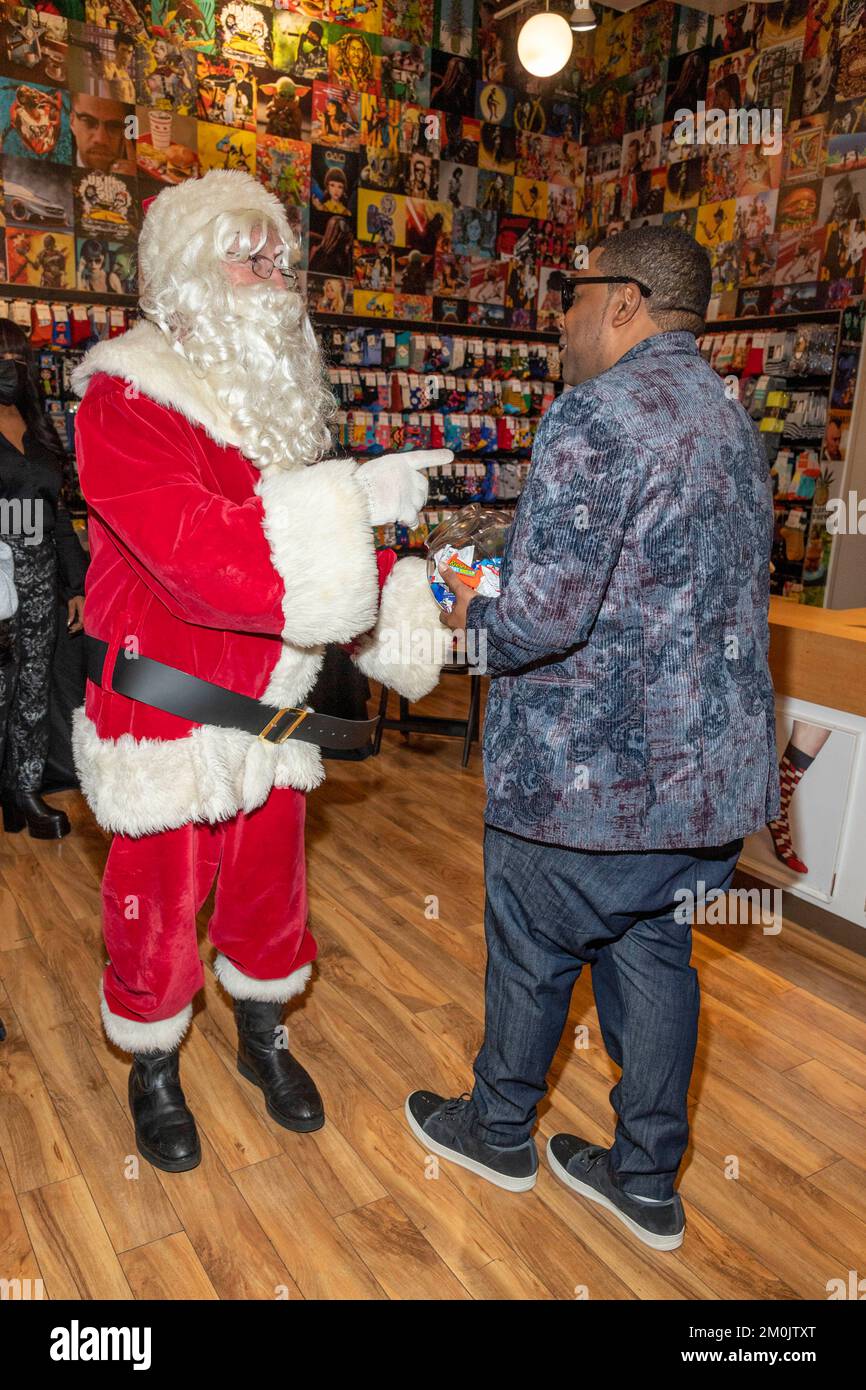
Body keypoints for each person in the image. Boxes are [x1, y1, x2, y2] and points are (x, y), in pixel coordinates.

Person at [406, 225, 779, 1252]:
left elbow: (539, 618)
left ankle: (495, 1131)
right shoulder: (731, 422)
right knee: (655, 957)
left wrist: (450, 621)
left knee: (532, 955)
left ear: (623, 302)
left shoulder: (593, 414)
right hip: (704, 789)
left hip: (584, 786)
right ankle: (644, 1179)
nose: (558, 320)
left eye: (571, 298)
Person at [71, 170, 450, 1173]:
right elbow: (201, 559)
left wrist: (389, 580)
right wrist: (352, 509)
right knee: (155, 905)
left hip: (270, 707)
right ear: (190, 270)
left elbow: (304, 543)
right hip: (164, 705)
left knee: (269, 893)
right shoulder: (122, 395)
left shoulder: (275, 404)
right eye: (250, 254)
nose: (274, 275)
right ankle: (152, 1065)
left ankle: (262, 1036)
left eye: (280, 257)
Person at [0, 320, 87, 838]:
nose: (10, 369)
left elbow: (55, 518)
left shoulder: (39, 431)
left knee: (33, 691)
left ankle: (24, 791)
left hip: (40, 582)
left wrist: (74, 586)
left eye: (17, 358)